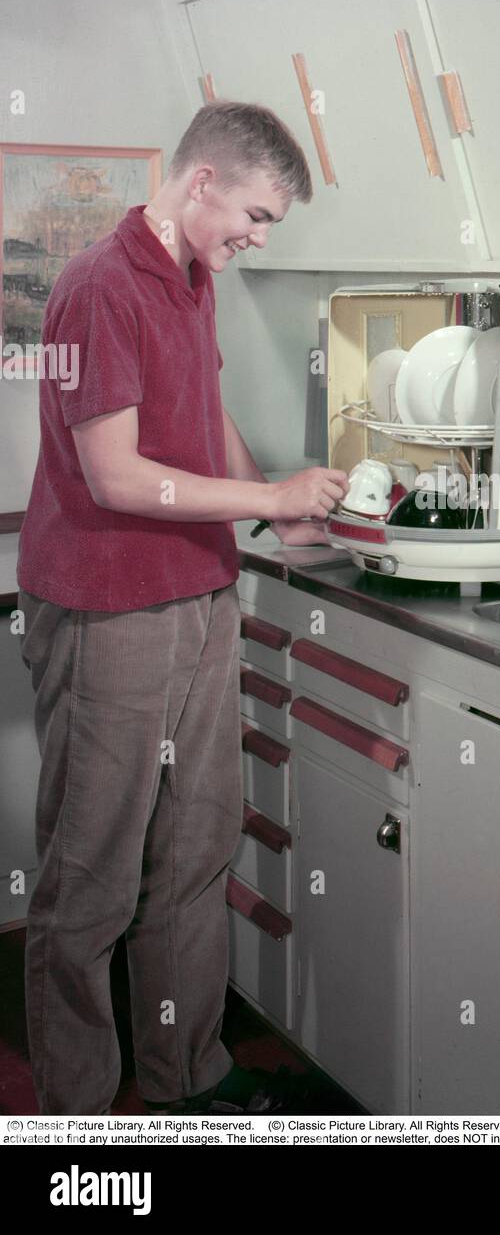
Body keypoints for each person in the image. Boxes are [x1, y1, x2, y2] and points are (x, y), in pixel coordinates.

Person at [15, 100, 349, 1115]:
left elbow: (207, 413)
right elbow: (112, 474)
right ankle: (78, 1115)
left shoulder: (193, 278)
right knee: (92, 880)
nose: (255, 236)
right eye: (254, 214)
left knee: (196, 850)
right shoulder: (97, 286)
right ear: (200, 181)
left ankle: (185, 1078)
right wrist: (270, 499)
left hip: (200, 592)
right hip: (110, 606)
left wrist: (278, 518)